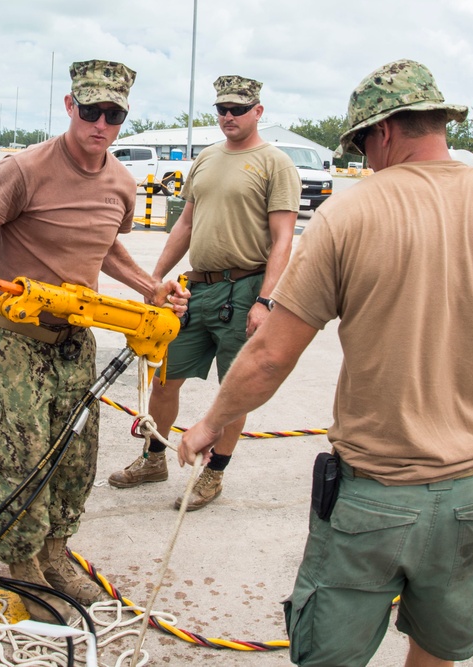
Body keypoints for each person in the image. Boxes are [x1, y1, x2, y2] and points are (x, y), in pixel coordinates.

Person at [178, 59, 473, 666]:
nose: (364, 159)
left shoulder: (349, 213)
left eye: (362, 144)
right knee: (438, 646)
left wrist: (209, 423)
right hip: (472, 493)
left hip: (373, 497)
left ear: (383, 132)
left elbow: (270, 356)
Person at [0, 59, 188, 623]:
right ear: (69, 106)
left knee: (75, 457)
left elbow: (103, 246)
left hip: (75, 342)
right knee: (21, 456)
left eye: (113, 114)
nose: (100, 124)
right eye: (90, 110)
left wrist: (150, 288)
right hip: (14, 340)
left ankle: (56, 552)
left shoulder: (122, 184)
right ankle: (23, 562)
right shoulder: (25, 169)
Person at [107, 74, 300, 511]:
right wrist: (155, 279)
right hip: (199, 290)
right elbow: (186, 225)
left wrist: (266, 301)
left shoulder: (275, 163)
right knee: (164, 378)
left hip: (246, 289)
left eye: (237, 109)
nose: (228, 116)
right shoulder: (207, 159)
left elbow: (284, 238)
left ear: (258, 112)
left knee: (234, 389)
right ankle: (153, 459)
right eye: (222, 109)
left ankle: (213, 474)